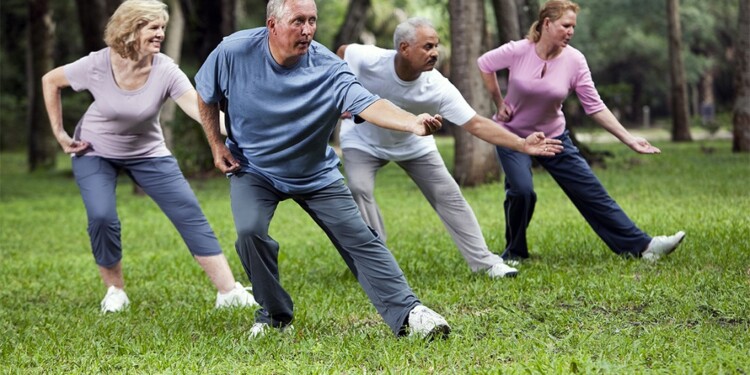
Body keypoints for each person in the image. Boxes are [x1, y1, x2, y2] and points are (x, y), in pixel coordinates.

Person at [194, 0, 451, 339]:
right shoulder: (234, 51)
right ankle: (274, 317)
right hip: (254, 168)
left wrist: (411, 123)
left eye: (312, 20)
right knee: (249, 232)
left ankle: (410, 313)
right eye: (298, 21)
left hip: (314, 173)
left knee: (361, 239)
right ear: (272, 25)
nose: (308, 30)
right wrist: (216, 145)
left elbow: (369, 102)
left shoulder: (329, 68)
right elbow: (205, 94)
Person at [41, 0, 257, 313]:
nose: (160, 34)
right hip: (94, 149)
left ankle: (228, 291)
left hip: (147, 151)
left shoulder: (166, 70)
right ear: (130, 29)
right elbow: (51, 80)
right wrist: (59, 133)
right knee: (102, 217)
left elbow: (201, 111)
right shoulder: (98, 64)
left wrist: (247, 130)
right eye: (153, 27)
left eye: (163, 28)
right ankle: (115, 290)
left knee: (189, 212)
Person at [336, 18, 564, 279]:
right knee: (359, 188)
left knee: (450, 196)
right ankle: (377, 263)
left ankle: (486, 263)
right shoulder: (370, 59)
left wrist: (522, 143)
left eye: (437, 46)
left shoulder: (438, 87)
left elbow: (477, 124)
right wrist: (343, 93)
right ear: (404, 48)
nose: (435, 53)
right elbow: (343, 52)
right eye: (427, 46)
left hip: (414, 143)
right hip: (362, 139)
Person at [476, 0, 685, 262]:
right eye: (566, 25)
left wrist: (629, 140)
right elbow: (484, 64)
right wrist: (499, 102)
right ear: (547, 24)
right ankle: (515, 252)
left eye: (573, 26)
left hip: (554, 136)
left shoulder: (574, 60)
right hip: (513, 136)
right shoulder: (519, 50)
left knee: (591, 192)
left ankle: (644, 247)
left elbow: (594, 106)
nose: (571, 31)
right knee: (521, 191)